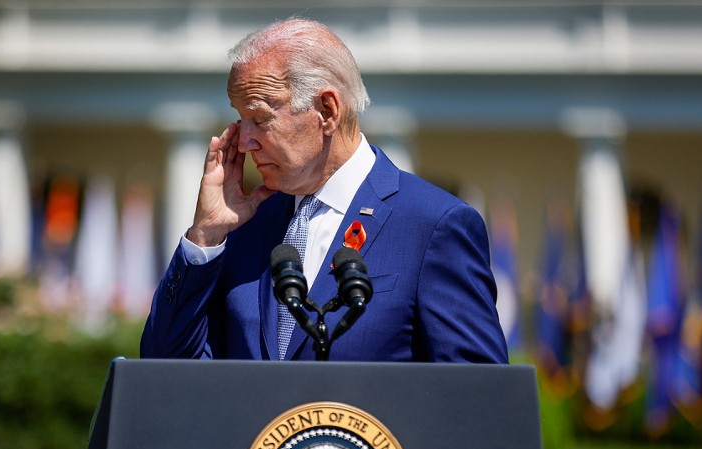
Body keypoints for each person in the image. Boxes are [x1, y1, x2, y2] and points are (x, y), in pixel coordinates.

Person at [141, 18, 507, 363]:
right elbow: (165, 368)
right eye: (240, 119)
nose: (244, 142)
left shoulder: (434, 225)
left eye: (260, 118)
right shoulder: (242, 229)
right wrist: (205, 236)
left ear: (327, 111)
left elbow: (477, 395)